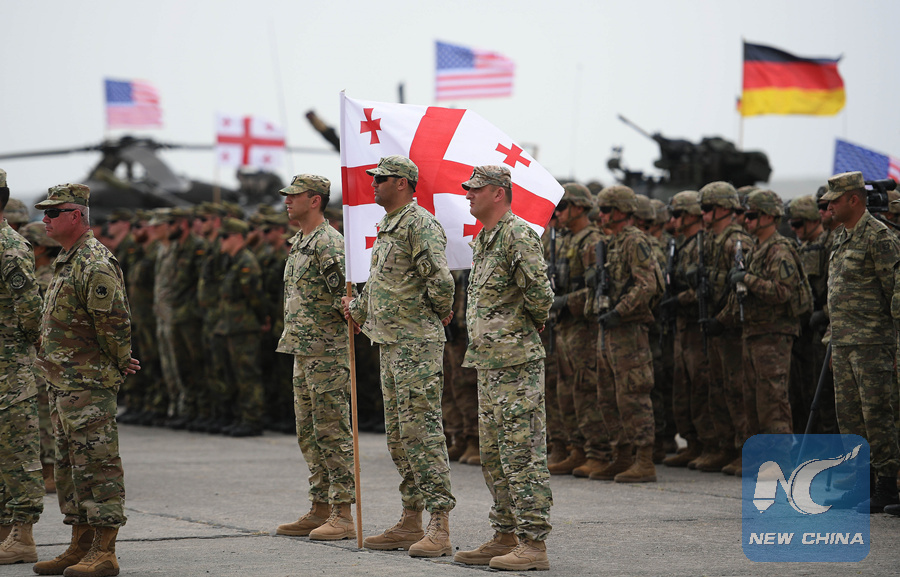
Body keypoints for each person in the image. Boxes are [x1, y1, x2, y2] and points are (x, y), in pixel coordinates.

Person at [341, 155, 456, 557]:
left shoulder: (419, 223)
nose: (373, 184)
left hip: (416, 344)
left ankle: (439, 524)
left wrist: (438, 312)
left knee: (422, 432)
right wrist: (357, 308)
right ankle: (410, 519)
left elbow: (440, 280)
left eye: (381, 179)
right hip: (391, 343)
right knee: (399, 437)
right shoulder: (388, 225)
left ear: (403, 183)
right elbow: (381, 284)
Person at [32, 183, 140, 577]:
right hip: (63, 383)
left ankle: (104, 550)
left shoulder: (94, 262)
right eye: (44, 213)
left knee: (97, 464)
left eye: (53, 212)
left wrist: (118, 362)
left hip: (88, 384)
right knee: (69, 468)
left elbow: (114, 323)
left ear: (76, 215)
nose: (45, 220)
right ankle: (79, 544)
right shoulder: (67, 259)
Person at [452, 165, 554, 570]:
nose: (468, 195)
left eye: (475, 189)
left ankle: (534, 543)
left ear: (498, 193)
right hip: (489, 363)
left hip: (515, 363)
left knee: (522, 454)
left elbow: (540, 294)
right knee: (494, 456)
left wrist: (527, 324)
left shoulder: (517, 234)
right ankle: (505, 534)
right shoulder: (485, 239)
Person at [275, 175, 356, 541]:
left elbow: (347, 299)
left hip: (327, 353)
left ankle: (343, 512)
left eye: (294, 196)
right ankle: (320, 506)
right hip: (303, 349)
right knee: (308, 433)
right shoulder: (301, 242)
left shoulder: (329, 243)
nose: (287, 201)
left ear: (315, 201)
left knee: (332, 431)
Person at [823, 171, 900, 513]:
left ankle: (887, 486)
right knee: (850, 419)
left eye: (835, 200)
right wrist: (833, 338)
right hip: (843, 344)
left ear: (854, 199)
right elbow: (836, 292)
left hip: (872, 344)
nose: (829, 206)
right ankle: (860, 484)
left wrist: (893, 344)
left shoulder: (879, 237)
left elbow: (894, 292)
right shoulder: (841, 237)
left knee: (877, 416)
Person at [585, 185, 663, 483]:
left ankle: (644, 459)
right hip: (608, 330)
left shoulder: (635, 241)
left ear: (621, 211)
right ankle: (622, 455)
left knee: (633, 394)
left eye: (606, 210)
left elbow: (647, 285)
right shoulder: (611, 243)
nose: (601, 216)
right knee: (607, 395)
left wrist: (620, 310)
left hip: (628, 330)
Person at [723, 190, 809, 440]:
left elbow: (782, 292)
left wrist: (747, 279)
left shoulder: (779, 250)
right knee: (753, 405)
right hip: (754, 333)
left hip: (773, 336)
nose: (746, 220)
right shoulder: (756, 249)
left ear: (770, 217)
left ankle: (780, 457)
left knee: (772, 405)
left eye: (752, 216)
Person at [547, 183, 608, 478]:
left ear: (580, 207)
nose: (558, 213)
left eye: (563, 207)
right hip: (565, 327)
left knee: (586, 390)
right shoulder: (564, 240)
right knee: (565, 390)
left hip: (584, 327)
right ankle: (576, 448)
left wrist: (565, 301)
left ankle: (599, 452)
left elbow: (597, 289)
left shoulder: (593, 241)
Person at [0, 169, 45, 565]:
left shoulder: (11, 247)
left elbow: (32, 312)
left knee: (19, 454)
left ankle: (23, 535)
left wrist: (25, 349)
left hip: (10, 370)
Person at [698, 181, 752, 475]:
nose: (703, 214)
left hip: (732, 329)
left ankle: (745, 450)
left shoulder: (737, 241)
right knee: (716, 389)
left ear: (723, 209)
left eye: (707, 208)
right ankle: (725, 447)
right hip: (716, 325)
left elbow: (740, 289)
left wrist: (722, 319)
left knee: (737, 391)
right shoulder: (710, 240)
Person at [663, 191, 714, 469]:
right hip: (683, 327)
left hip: (697, 326)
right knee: (683, 388)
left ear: (693, 215)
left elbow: (705, 288)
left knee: (701, 387)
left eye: (678, 214)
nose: (673, 220)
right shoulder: (683, 246)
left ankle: (710, 444)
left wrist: (679, 299)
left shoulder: (702, 245)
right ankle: (693, 443)